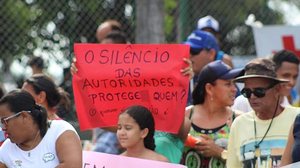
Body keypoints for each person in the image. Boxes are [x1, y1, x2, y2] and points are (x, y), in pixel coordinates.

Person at [227, 58, 300, 167]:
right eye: (247, 92)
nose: (252, 97)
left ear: (277, 90)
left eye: (259, 91)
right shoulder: (239, 124)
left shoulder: (296, 119)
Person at [181, 60, 243, 168]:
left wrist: (219, 152)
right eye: (228, 84)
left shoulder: (239, 120)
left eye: (234, 83)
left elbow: (248, 162)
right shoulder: (186, 115)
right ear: (209, 88)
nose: (234, 89)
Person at [0, 89, 82, 167]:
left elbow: (72, 166)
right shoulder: (6, 149)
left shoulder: (60, 132)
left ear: (24, 116)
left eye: (5, 121)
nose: (3, 128)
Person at [232, 49, 300, 112]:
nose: (292, 82)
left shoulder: (292, 112)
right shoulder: (242, 103)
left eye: (295, 77)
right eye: (286, 76)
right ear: (272, 74)